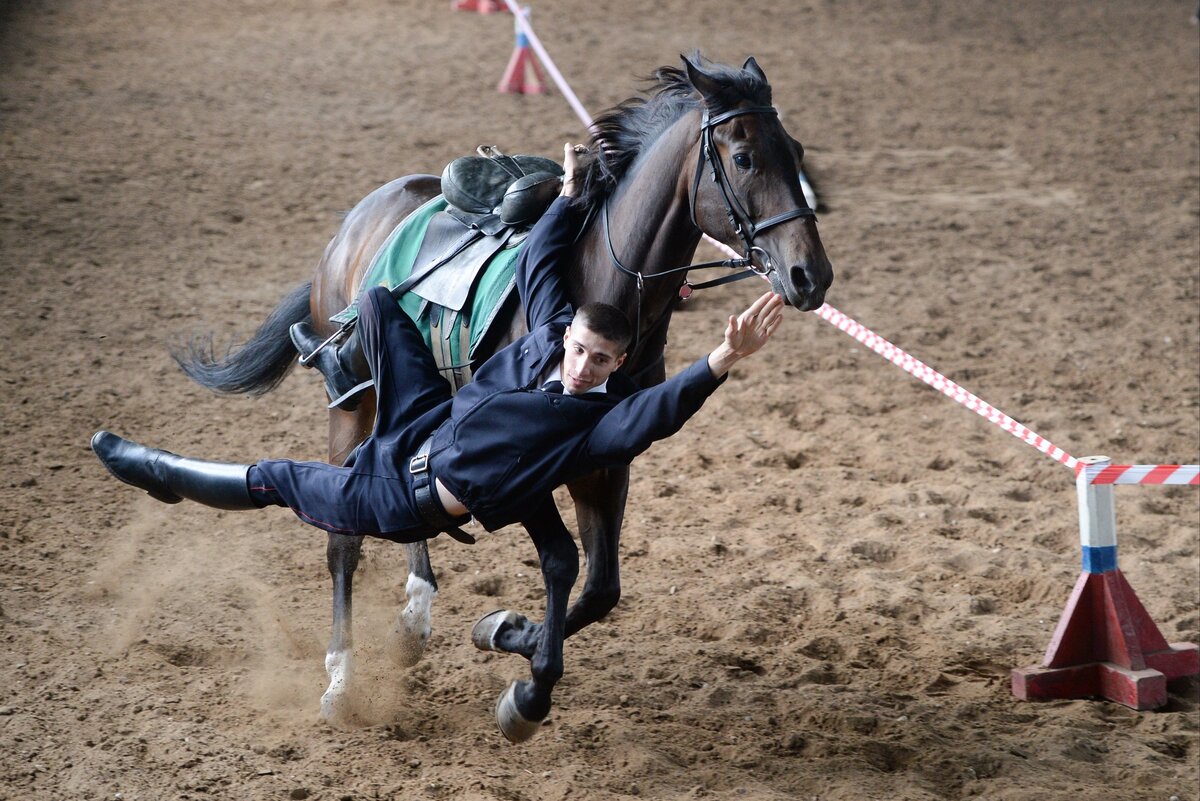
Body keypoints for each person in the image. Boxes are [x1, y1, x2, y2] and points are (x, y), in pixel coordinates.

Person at [91, 144, 786, 543]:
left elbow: (659, 410)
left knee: (275, 476)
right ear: (567, 334)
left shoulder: (594, 426)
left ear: (618, 365)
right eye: (577, 349)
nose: (578, 368)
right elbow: (540, 261)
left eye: (599, 362)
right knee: (378, 300)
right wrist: (571, 196)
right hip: (426, 416)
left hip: (402, 493)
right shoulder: (550, 334)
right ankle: (343, 364)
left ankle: (159, 468)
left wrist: (724, 356)